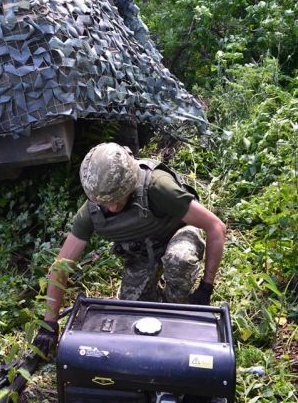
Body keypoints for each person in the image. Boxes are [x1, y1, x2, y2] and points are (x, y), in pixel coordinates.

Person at [34, 142, 226, 355]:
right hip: (144, 250)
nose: (113, 207)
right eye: (106, 202)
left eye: (118, 198)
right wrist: (49, 324)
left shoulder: (158, 187)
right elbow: (60, 267)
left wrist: (206, 288)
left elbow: (215, 227)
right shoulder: (91, 213)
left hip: (180, 233)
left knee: (178, 259)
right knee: (134, 313)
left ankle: (179, 310)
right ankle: (161, 304)